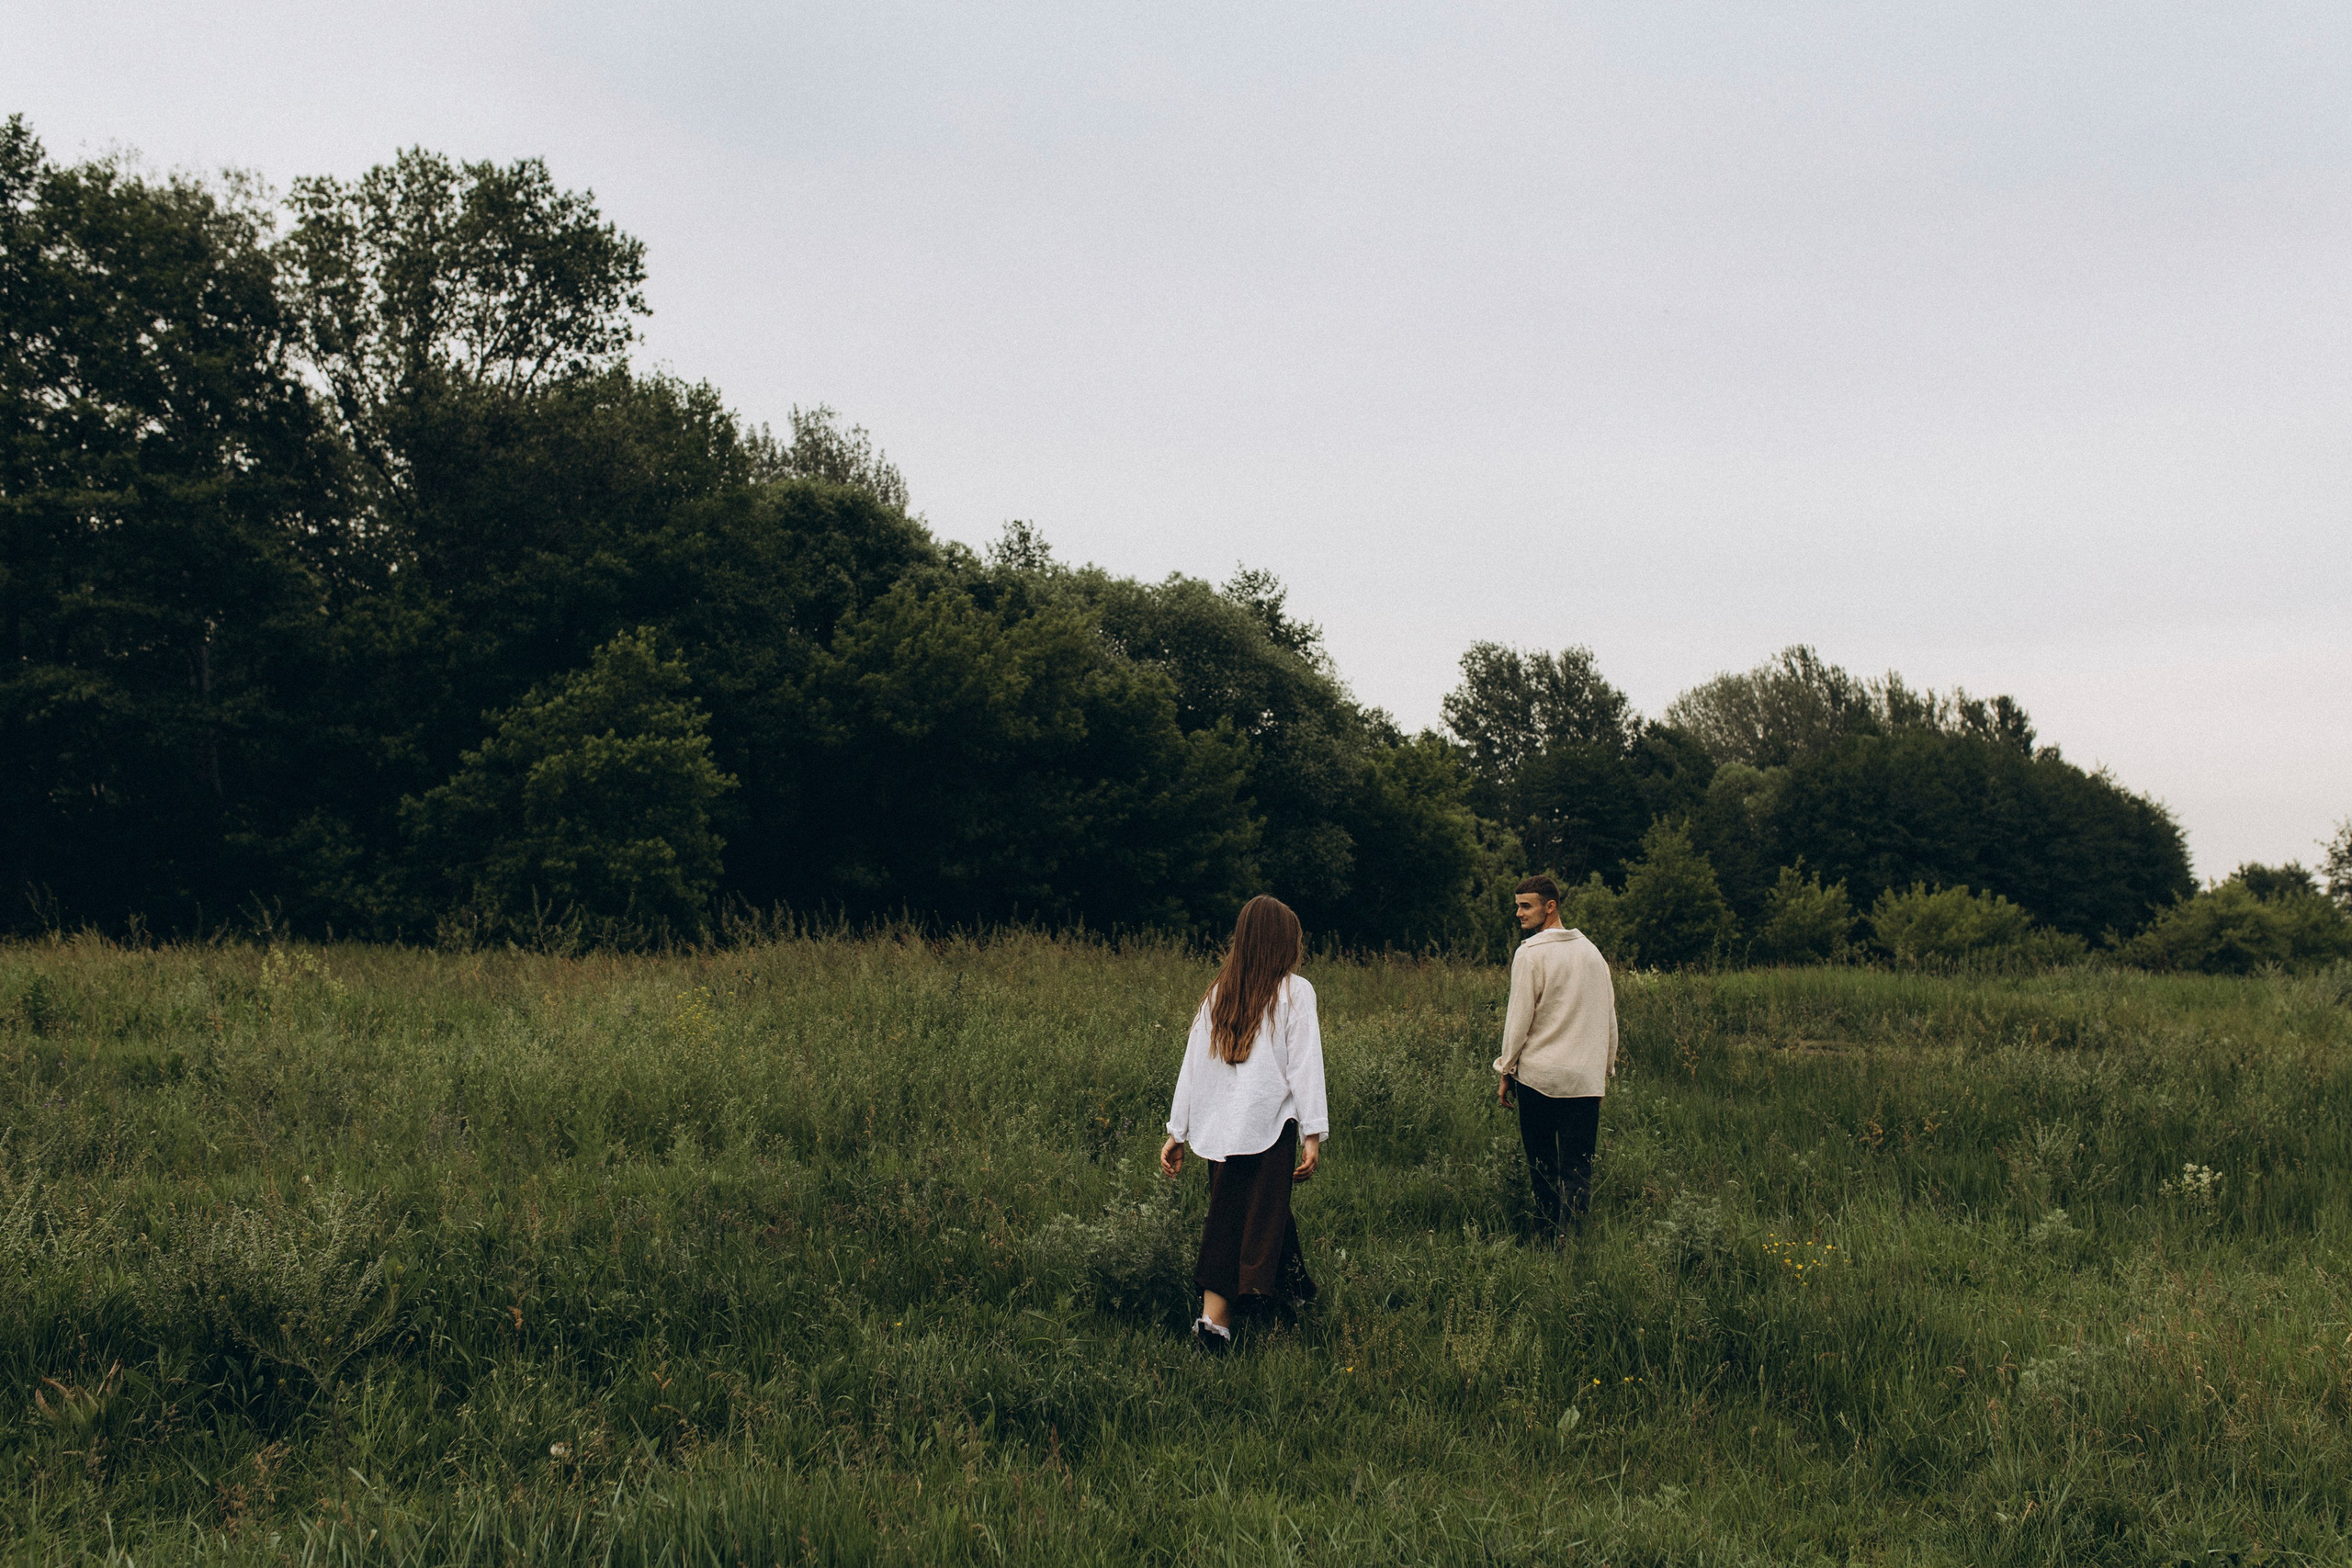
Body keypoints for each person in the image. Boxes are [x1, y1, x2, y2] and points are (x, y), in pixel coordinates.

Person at [1159, 895, 1328, 1353]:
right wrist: (1312, 1134)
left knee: (1252, 1210)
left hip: (1221, 1131)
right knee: (1244, 1218)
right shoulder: (1295, 991)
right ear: (1281, 943)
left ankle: (1291, 1299)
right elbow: (1306, 1066)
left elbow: (1191, 1067)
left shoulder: (1219, 992)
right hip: (1269, 1129)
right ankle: (1215, 1327)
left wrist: (1180, 1131)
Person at [1494, 874, 1618, 1236]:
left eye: (1526, 905)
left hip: (1539, 1078)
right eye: (1517, 905)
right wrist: (1604, 1073)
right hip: (1584, 1081)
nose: (1518, 913)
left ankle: (1547, 1238)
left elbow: (1518, 1020)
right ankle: (1572, 1245)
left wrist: (1506, 1069)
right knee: (1578, 1168)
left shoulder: (1530, 953)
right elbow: (1609, 1018)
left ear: (1550, 907)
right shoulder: (1593, 953)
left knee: (1543, 1166)